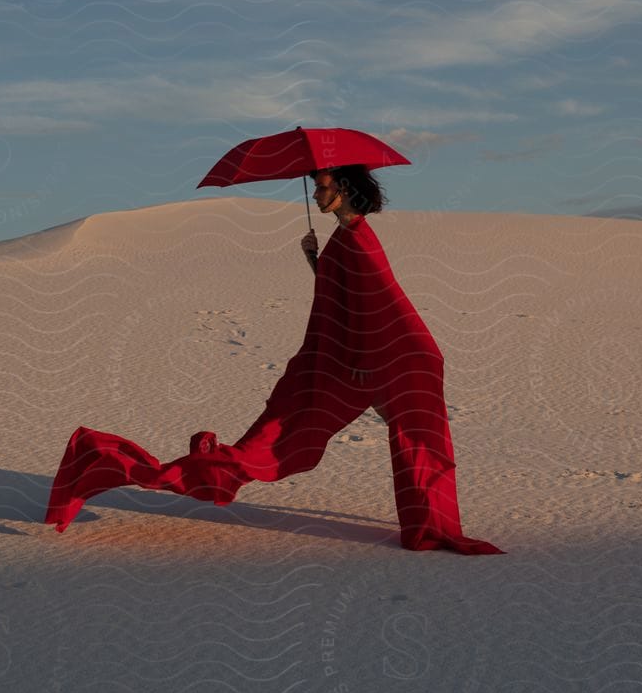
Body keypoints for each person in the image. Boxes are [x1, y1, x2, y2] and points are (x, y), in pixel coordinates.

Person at [44, 165, 503, 555]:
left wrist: (365, 360)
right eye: (318, 187)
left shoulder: (360, 239)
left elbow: (377, 303)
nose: (318, 194)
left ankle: (433, 529)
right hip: (366, 357)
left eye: (323, 186)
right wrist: (314, 261)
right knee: (293, 437)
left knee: (422, 448)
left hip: (396, 357)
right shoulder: (346, 238)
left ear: (344, 188)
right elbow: (342, 295)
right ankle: (427, 526)